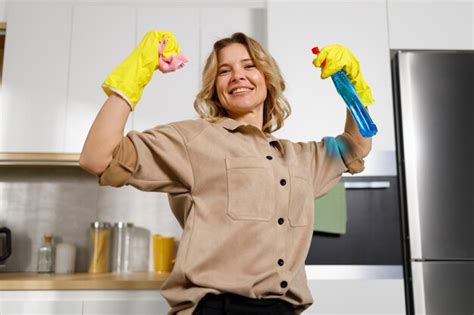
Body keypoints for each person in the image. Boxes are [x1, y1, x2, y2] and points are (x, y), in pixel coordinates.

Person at [80, 31, 374, 315]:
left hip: (284, 310)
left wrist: (351, 87)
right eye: (225, 71)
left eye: (250, 66)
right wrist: (133, 76)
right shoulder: (193, 140)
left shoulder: (299, 158)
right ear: (214, 88)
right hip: (217, 308)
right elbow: (98, 158)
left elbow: (356, 147)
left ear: (267, 78)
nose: (238, 76)